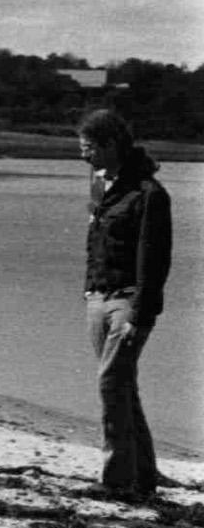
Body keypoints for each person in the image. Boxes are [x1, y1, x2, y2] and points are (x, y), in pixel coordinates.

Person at [77, 108, 172, 501]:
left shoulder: (150, 194)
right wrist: (88, 289)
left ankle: (116, 480)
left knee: (111, 382)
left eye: (88, 148)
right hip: (98, 298)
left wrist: (140, 312)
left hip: (129, 303)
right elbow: (95, 242)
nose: (84, 156)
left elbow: (154, 258)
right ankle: (145, 476)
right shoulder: (100, 185)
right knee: (123, 386)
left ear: (111, 144)